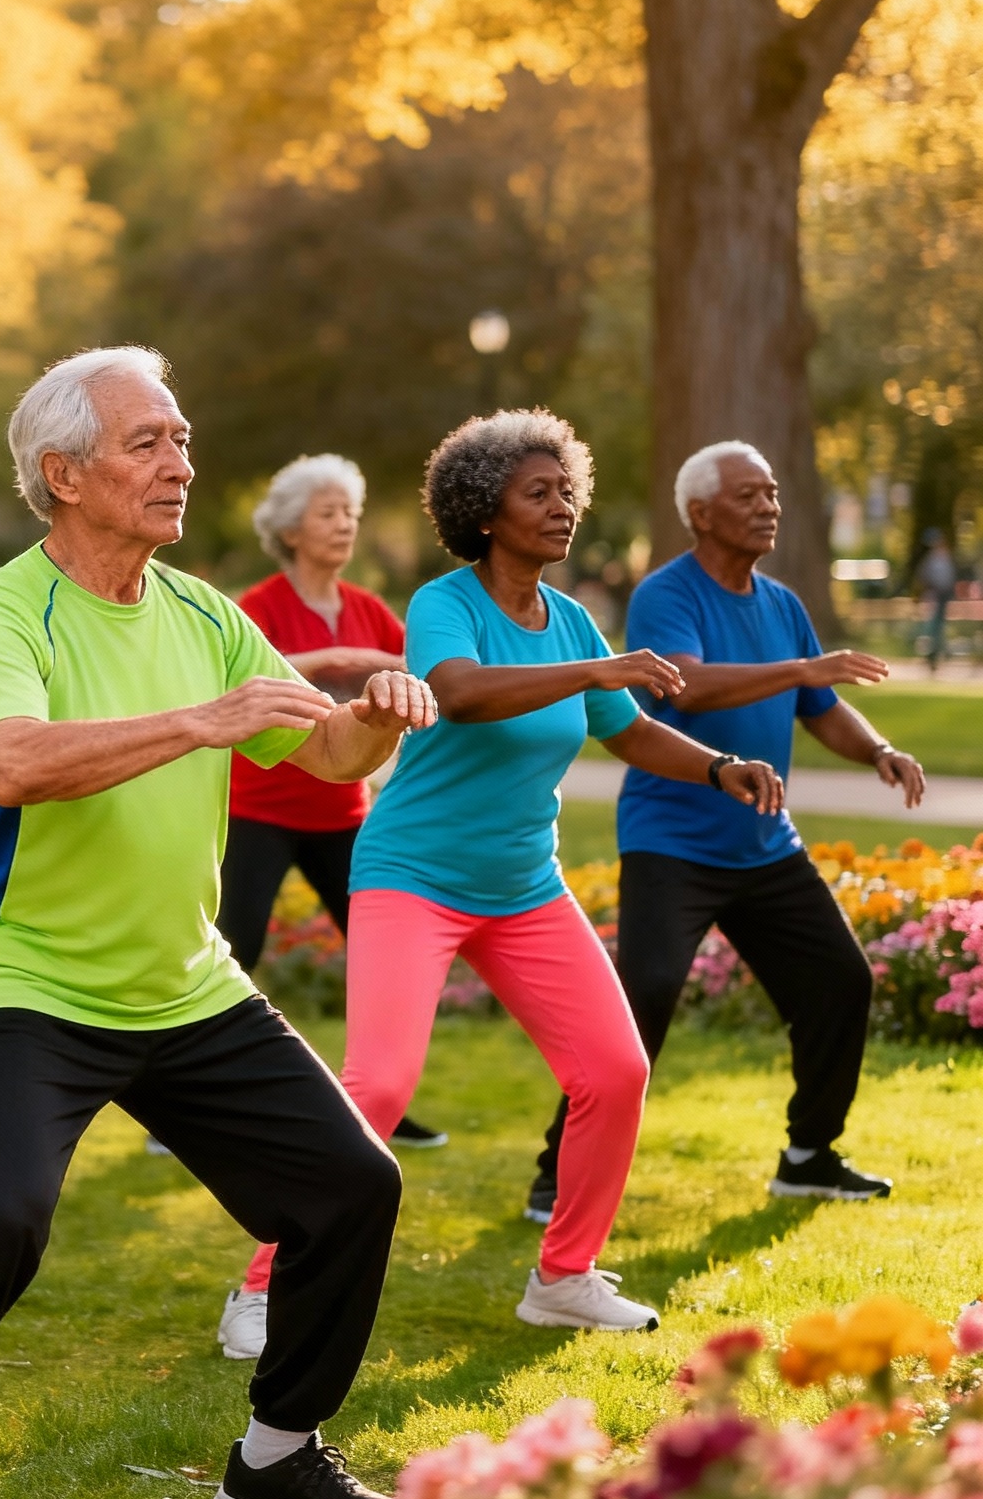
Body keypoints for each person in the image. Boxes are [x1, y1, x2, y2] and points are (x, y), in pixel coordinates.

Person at [0, 347, 438, 1499]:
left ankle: (273, 1455)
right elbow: (18, 763)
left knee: (351, 1186)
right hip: (26, 973)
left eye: (180, 439)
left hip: (181, 980)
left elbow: (323, 760)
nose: (178, 462)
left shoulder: (202, 611)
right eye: (146, 442)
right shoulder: (2, 611)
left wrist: (379, 709)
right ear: (62, 474)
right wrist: (199, 721)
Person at [338, 410, 787, 1336]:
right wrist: (593, 669)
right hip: (411, 876)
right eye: (536, 493)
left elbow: (626, 729)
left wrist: (715, 765)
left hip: (522, 887)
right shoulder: (446, 605)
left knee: (616, 1070)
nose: (561, 507)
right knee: (378, 1086)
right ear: (484, 509)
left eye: (566, 491)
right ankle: (264, 1284)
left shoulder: (573, 620)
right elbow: (456, 694)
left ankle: (564, 1277)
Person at [526, 441, 922, 1222]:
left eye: (772, 493)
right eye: (749, 495)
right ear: (700, 513)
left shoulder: (782, 605)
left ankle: (809, 1156)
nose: (768, 506)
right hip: (672, 842)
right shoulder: (666, 595)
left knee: (841, 983)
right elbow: (687, 685)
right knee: (643, 996)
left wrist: (876, 748)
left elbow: (821, 708)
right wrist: (802, 671)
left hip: (766, 845)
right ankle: (557, 1173)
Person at [212, 453, 444, 1365]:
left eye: (352, 511)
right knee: (237, 943)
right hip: (264, 802)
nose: (344, 525)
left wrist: (377, 666)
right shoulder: (260, 605)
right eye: (328, 512)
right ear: (291, 525)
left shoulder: (371, 609)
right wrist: (336, 662)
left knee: (380, 951)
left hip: (342, 809)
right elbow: (241, 674)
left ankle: (380, 1102)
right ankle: (187, 1100)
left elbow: (414, 670)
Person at [916, 527, 958, 674]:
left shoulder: (943, 558)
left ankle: (938, 654)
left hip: (943, 596)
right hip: (935, 596)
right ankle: (932, 655)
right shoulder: (932, 560)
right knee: (933, 626)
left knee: (938, 626)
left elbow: (949, 578)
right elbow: (925, 579)